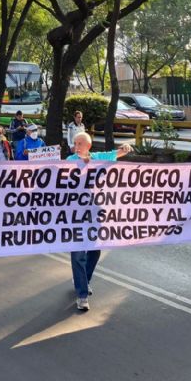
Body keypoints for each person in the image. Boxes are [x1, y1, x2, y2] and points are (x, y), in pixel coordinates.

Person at [66, 131, 133, 312]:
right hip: (76, 215)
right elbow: (63, 178)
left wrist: (125, 148)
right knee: (78, 253)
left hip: (96, 212)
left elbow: (116, 154)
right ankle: (82, 295)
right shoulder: (70, 159)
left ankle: (84, 280)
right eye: (75, 143)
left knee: (94, 250)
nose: (76, 146)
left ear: (88, 146)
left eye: (80, 143)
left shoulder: (98, 157)